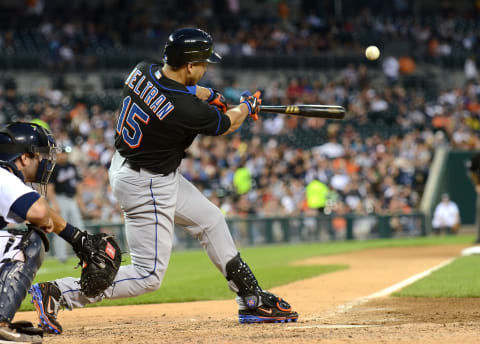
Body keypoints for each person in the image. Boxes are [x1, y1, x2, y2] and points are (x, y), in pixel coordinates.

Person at [30, 27, 298, 334]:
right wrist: (246, 107)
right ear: (189, 65)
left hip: (134, 167)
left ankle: (250, 298)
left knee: (210, 220)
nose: (206, 68)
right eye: (203, 64)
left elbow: (176, 92)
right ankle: (59, 293)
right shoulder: (187, 110)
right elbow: (225, 124)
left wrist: (208, 94)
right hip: (148, 183)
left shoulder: (142, 70)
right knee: (147, 275)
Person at [0, 122, 108, 343]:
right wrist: (77, 240)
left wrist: (75, 238)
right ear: (24, 158)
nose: (45, 163)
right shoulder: (3, 175)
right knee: (27, 241)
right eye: (40, 157)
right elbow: (39, 213)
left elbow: (40, 212)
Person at [47, 147, 85, 263]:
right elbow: (50, 187)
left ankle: (83, 253)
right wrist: (54, 203)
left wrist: (80, 200)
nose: (64, 155)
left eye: (65, 153)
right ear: (58, 154)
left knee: (79, 226)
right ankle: (61, 256)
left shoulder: (71, 166)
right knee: (60, 228)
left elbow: (78, 184)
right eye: (62, 153)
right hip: (59, 199)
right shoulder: (53, 167)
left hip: (71, 199)